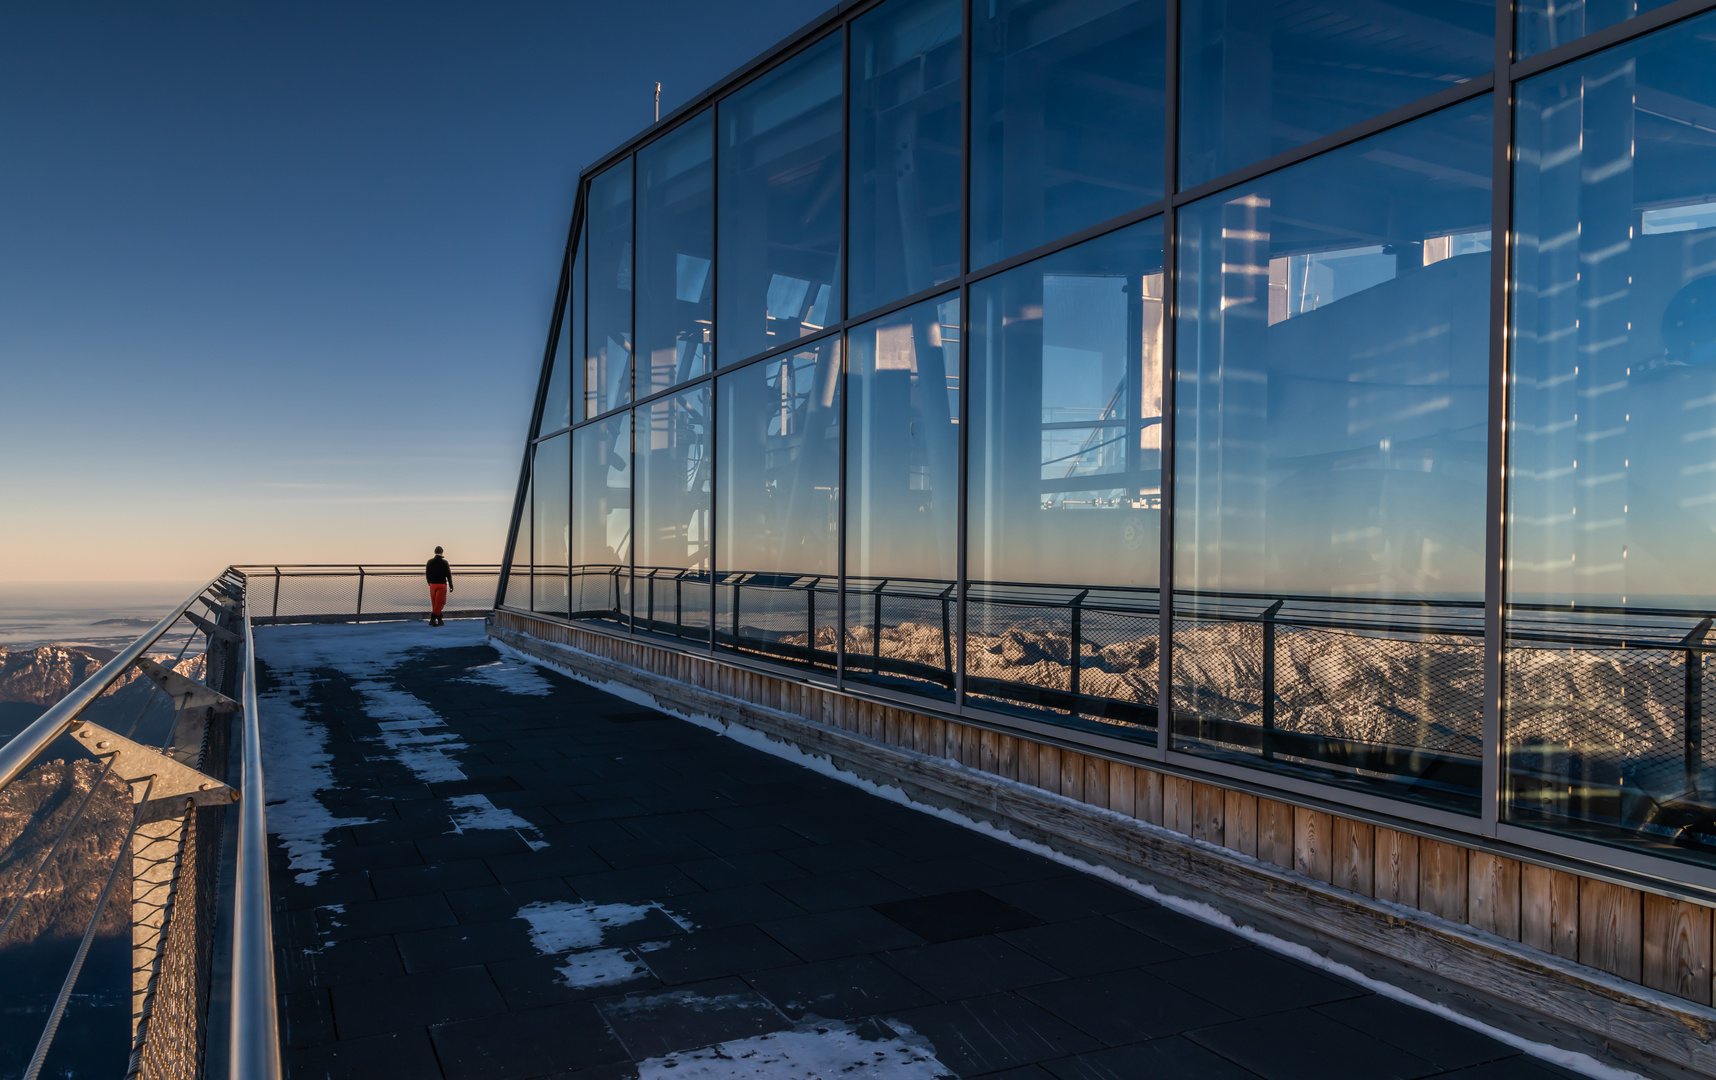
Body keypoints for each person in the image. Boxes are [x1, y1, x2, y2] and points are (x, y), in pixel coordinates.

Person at [426, 546, 453, 626]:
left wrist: (429, 582)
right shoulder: (444, 562)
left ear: (434, 552)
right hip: (441, 584)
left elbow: (427, 573)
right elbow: (448, 574)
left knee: (435, 603)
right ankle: (432, 619)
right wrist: (451, 585)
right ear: (442, 552)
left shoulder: (429, 562)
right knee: (440, 602)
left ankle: (440, 620)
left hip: (432, 584)